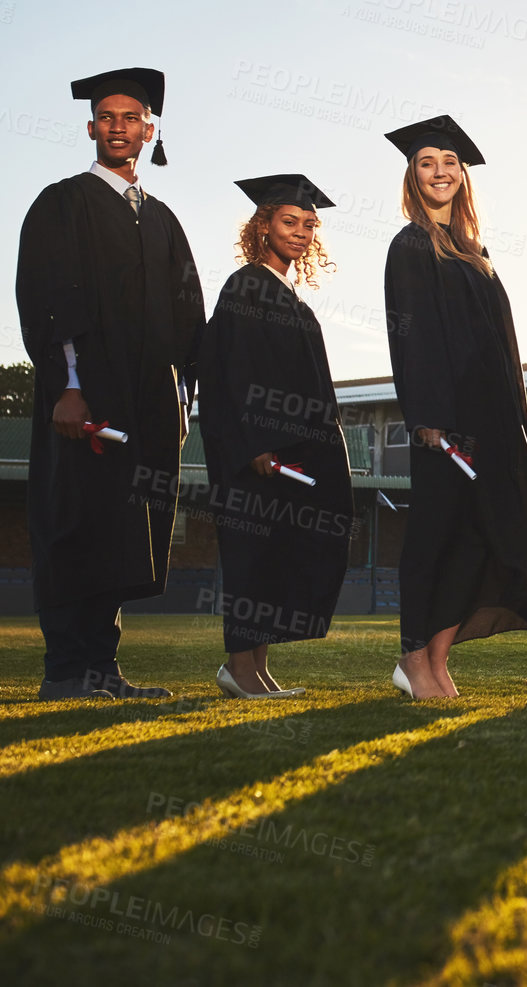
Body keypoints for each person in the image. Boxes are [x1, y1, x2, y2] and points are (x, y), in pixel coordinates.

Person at [15, 67, 203, 700]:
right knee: (78, 523)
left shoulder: (163, 220)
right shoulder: (63, 203)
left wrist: (180, 396)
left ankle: (102, 668)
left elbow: (185, 318)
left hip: (146, 405)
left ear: (150, 130)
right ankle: (66, 670)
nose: (118, 127)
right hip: (87, 399)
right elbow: (49, 298)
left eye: (131, 118)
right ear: (90, 126)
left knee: (125, 532)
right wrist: (67, 385)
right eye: (107, 117)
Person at [383, 115, 527, 700]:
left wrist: (518, 419)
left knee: (484, 536)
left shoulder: (475, 251)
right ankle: (412, 657)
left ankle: (438, 656)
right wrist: (428, 418)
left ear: (463, 176)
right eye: (427, 163)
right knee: (438, 536)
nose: (440, 172)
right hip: (446, 423)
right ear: (413, 177)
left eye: (449, 163)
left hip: (492, 420)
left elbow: (503, 344)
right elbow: (413, 339)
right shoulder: (410, 246)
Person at [198, 174, 355, 699]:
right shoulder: (247, 286)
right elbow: (237, 374)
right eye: (290, 222)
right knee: (251, 556)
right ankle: (239, 669)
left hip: (291, 454)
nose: (302, 232)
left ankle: (255, 671)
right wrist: (256, 444)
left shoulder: (290, 296)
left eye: (310, 224)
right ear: (263, 225)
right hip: (257, 453)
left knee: (273, 561)